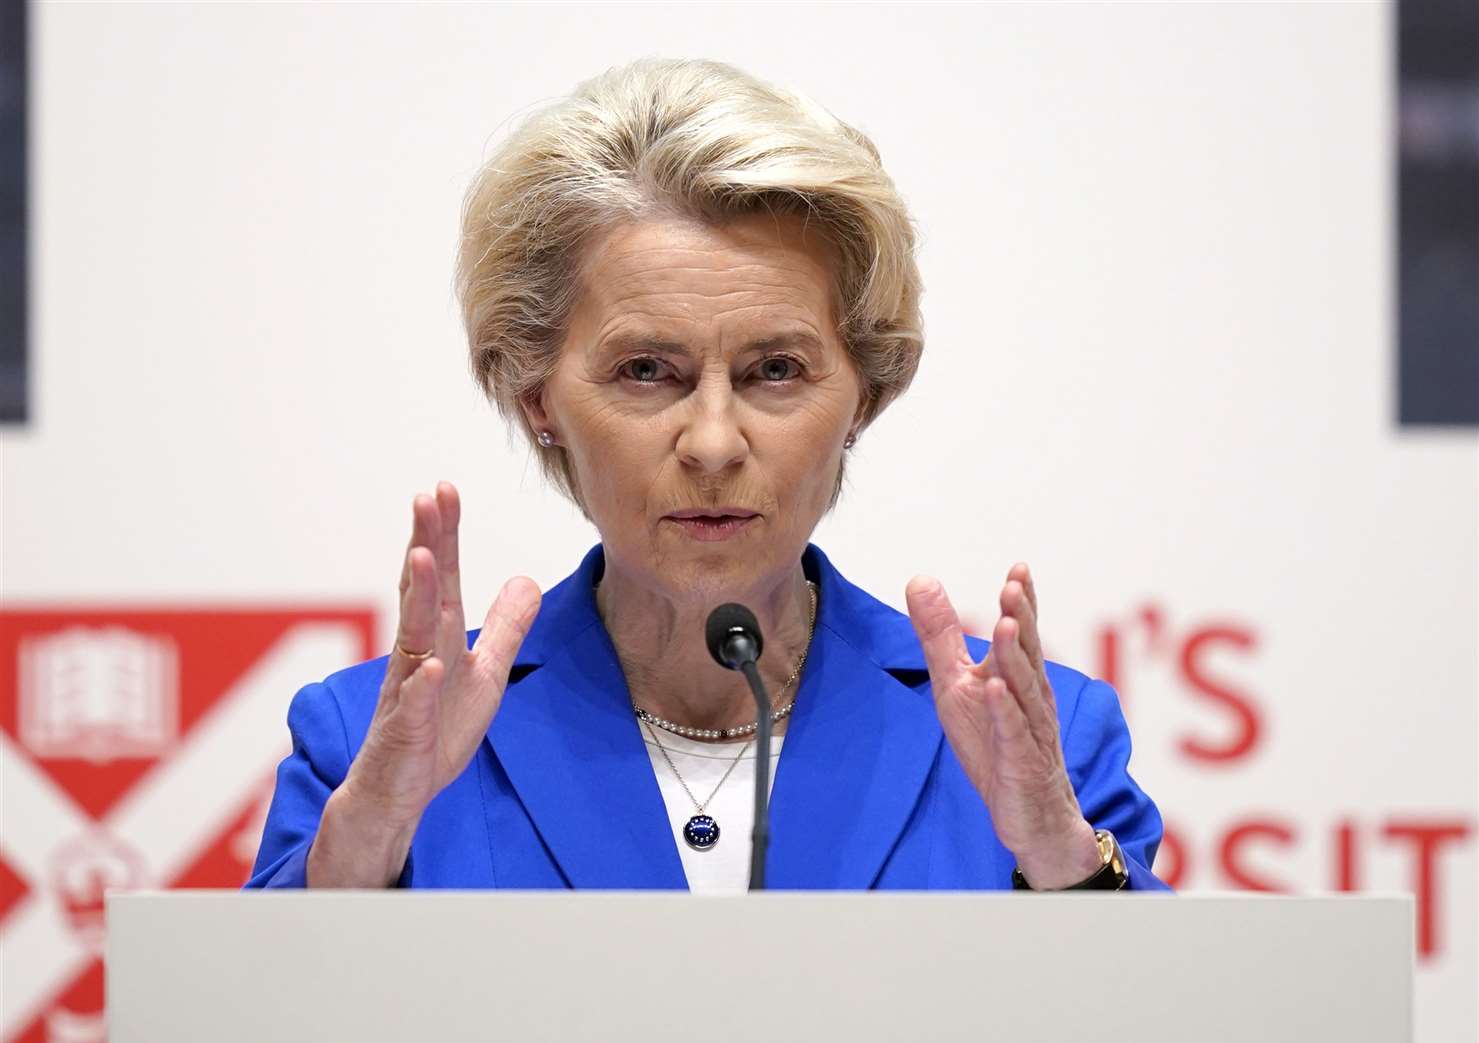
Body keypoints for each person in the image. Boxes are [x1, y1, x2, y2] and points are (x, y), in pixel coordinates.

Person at [248, 57, 1168, 894]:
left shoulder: (1042, 741)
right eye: (646, 370)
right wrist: (365, 846)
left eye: (776, 370)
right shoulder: (363, 741)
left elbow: (1164, 1041)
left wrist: (1060, 862)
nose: (714, 443)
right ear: (535, 394)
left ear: (864, 398)